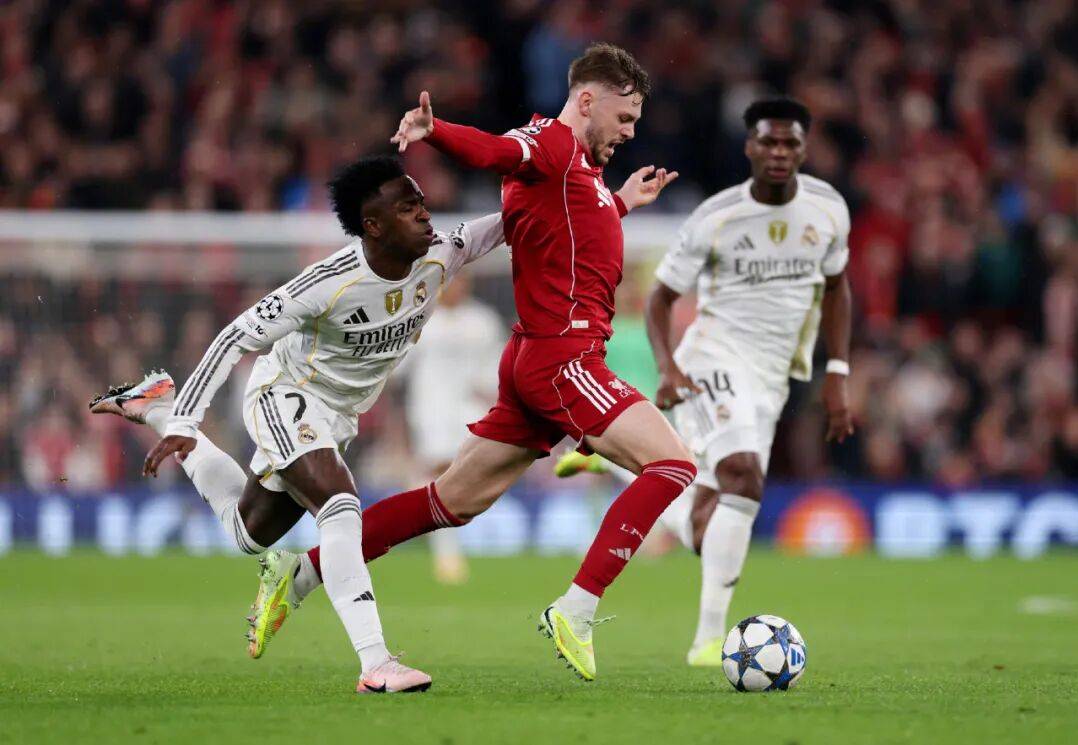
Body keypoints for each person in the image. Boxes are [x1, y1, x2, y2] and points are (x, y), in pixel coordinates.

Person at [261, 42, 692, 683]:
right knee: (673, 464)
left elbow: (565, 229)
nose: (629, 132)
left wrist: (622, 201)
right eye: (624, 118)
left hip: (534, 359)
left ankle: (301, 573)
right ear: (586, 101)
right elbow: (497, 151)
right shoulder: (550, 145)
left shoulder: (576, 172)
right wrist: (436, 132)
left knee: (450, 502)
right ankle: (576, 608)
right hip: (564, 357)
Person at [89, 155, 506, 693]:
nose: (425, 215)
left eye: (422, 203)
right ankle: (376, 663)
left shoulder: (442, 254)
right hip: (286, 395)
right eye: (408, 208)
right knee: (340, 506)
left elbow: (512, 221)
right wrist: (192, 419)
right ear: (374, 225)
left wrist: (595, 201)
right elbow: (233, 337)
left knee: (248, 534)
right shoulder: (327, 283)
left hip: (339, 416)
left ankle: (156, 405)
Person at [557, 97, 855, 666]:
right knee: (744, 473)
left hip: (774, 375)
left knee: (710, 518)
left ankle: (623, 464)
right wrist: (669, 366)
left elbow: (839, 287)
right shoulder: (715, 217)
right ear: (750, 147)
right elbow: (660, 298)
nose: (778, 152)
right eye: (768, 141)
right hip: (716, 357)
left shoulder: (828, 210)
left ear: (803, 149)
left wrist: (838, 370)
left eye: (790, 143)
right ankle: (709, 641)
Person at [402, 274, 504, 584]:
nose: (456, 289)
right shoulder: (420, 321)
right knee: (438, 474)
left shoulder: (482, 321)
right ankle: (447, 553)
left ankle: (444, 538)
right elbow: (399, 367)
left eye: (461, 283)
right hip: (430, 412)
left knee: (461, 477)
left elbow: (495, 367)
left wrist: (491, 395)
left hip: (470, 411)